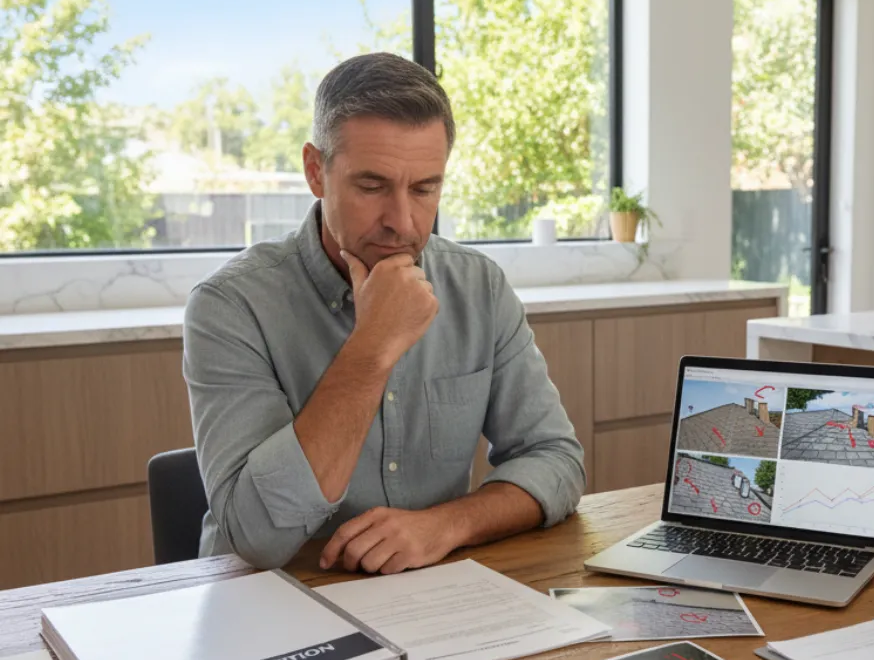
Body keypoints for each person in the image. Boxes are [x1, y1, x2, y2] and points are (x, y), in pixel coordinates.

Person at [182, 52, 584, 573]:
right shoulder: (230, 305)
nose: (402, 221)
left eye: (425, 189)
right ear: (315, 171)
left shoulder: (478, 286)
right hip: (272, 601)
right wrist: (372, 347)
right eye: (372, 186)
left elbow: (556, 460)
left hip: (427, 590)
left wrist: (445, 524)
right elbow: (257, 539)